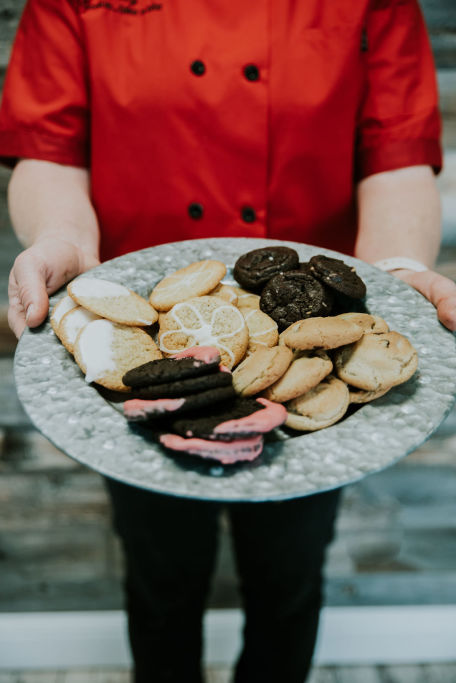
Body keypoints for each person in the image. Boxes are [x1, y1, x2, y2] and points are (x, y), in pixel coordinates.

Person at [2, 1, 456, 682]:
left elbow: (394, 153)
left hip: (308, 361)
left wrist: (391, 277)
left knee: (290, 581)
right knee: (160, 579)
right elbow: (49, 148)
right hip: (150, 351)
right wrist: (62, 239)